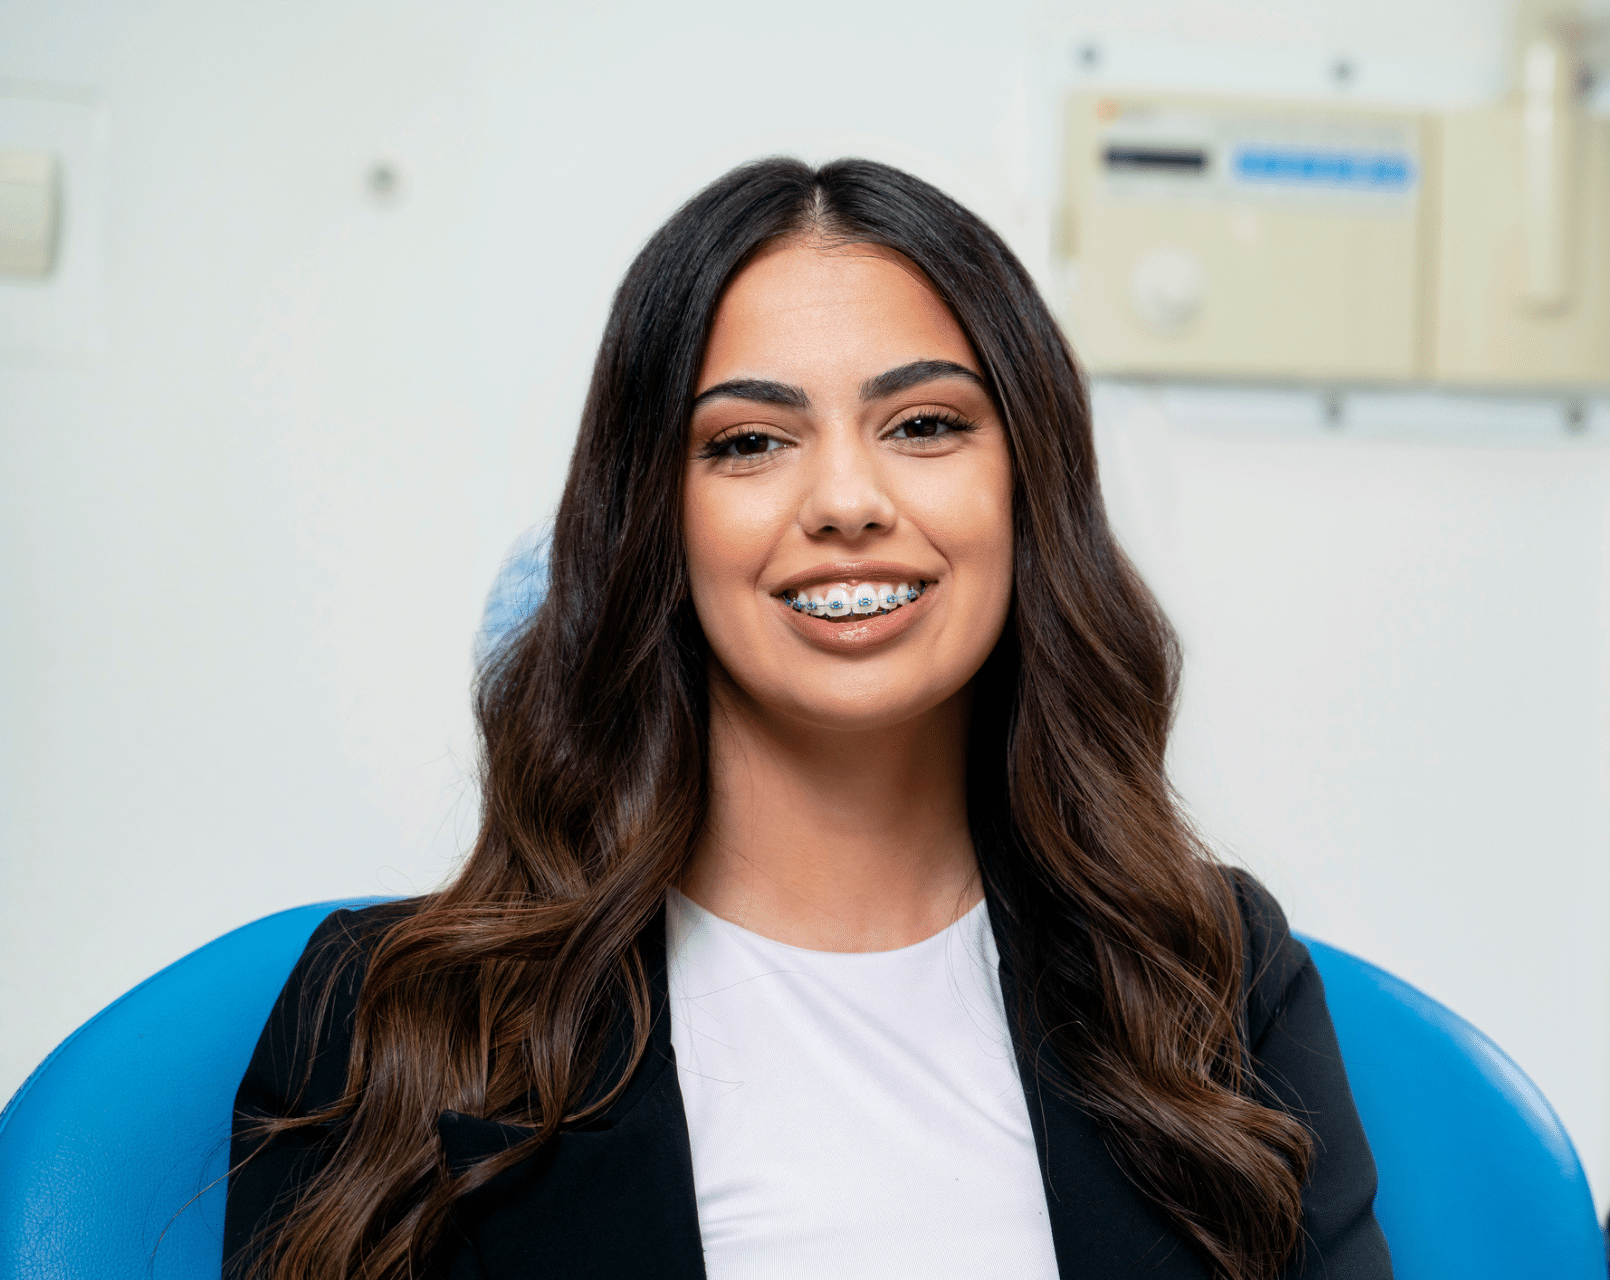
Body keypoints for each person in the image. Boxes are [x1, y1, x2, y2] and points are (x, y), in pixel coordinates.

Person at [223, 157, 1393, 1280]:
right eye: (749, 442)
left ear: (1029, 488)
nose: (845, 501)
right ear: (654, 525)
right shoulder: (389, 1016)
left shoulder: (1210, 978)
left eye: (926, 425)